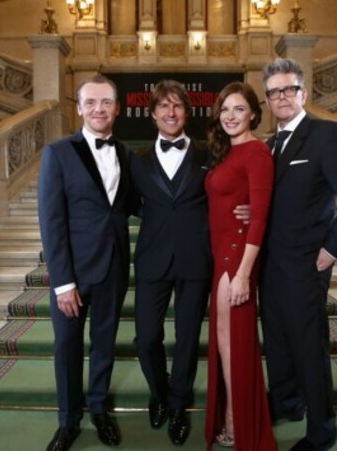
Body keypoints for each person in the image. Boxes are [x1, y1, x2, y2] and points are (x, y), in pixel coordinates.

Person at [259, 58, 337, 451]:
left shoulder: (327, 135)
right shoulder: (269, 144)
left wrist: (332, 248)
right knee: (276, 340)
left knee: (309, 345)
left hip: (307, 263)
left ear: (303, 93)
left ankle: (321, 430)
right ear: (268, 99)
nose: (282, 97)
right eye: (275, 92)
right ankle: (287, 402)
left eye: (289, 89)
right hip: (270, 264)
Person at [37, 74, 133, 451]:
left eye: (105, 102)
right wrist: (62, 282)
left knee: (105, 344)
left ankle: (98, 409)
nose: (98, 109)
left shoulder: (126, 154)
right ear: (78, 108)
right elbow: (51, 220)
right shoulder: (58, 153)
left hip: (112, 267)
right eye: (90, 102)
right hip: (72, 275)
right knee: (68, 347)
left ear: (117, 108)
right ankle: (68, 421)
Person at [130, 80, 211, 445]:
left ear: (187, 113)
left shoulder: (209, 153)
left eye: (177, 105)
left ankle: (178, 406)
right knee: (146, 337)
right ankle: (159, 393)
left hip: (196, 260)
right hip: (152, 259)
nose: (171, 112)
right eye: (163, 106)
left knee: (187, 339)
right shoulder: (139, 159)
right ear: (152, 115)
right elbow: (130, 203)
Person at [203, 81, 276, 450]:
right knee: (225, 343)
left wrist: (244, 273)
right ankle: (233, 415)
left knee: (233, 345)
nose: (230, 116)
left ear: (253, 114)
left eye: (239, 109)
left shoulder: (257, 152)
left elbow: (259, 217)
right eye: (225, 110)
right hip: (222, 258)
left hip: (236, 260)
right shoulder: (224, 152)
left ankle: (237, 421)